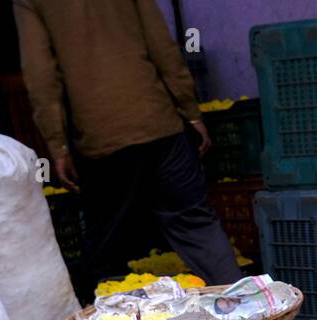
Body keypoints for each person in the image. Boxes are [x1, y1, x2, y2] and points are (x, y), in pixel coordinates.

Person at [13, 0, 244, 303]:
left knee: (106, 247)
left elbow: (41, 75)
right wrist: (191, 111)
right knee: (195, 224)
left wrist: (57, 145)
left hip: (100, 136)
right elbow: (161, 44)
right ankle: (248, 312)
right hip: (159, 124)